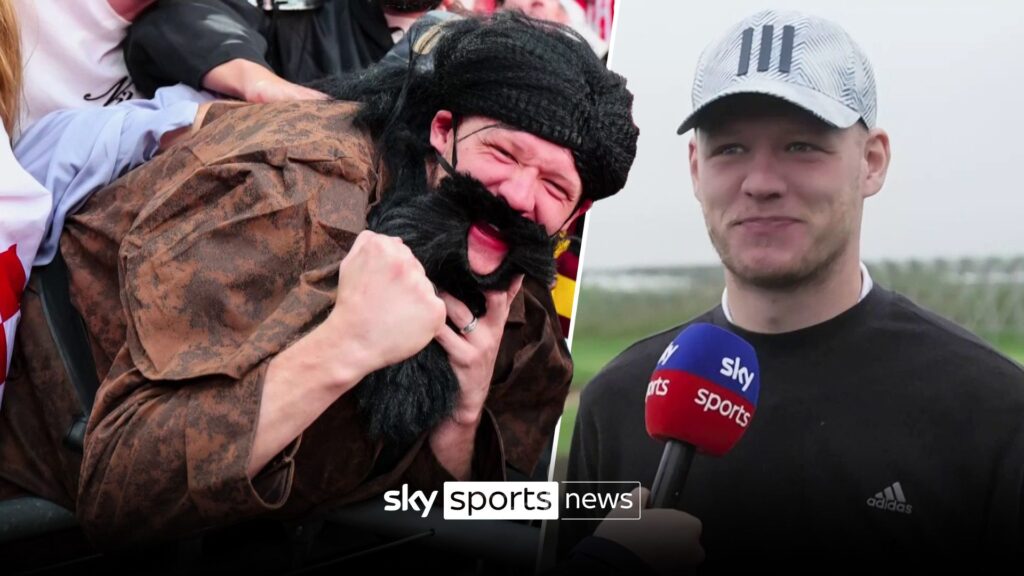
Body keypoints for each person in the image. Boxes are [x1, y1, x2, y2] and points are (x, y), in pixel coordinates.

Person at [0, 12, 639, 550]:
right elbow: (121, 484)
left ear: (576, 212)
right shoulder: (286, 193)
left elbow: (503, 520)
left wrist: (462, 425)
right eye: (502, 155)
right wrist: (341, 347)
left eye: (555, 186)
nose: (520, 195)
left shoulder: (516, 291)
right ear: (441, 132)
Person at [562, 9, 1024, 571]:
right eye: (730, 149)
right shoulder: (616, 402)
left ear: (872, 162)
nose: (761, 183)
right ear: (694, 167)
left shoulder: (992, 410)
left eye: (801, 146)